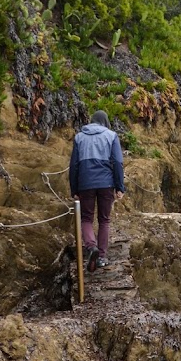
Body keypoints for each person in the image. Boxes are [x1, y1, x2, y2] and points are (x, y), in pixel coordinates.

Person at [69, 109, 125, 271]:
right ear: (105, 121)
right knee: (104, 220)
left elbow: (74, 165)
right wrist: (119, 186)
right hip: (106, 183)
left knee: (86, 218)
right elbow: (117, 162)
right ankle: (101, 257)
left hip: (85, 183)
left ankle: (90, 246)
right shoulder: (111, 136)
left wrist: (74, 189)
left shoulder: (79, 137)